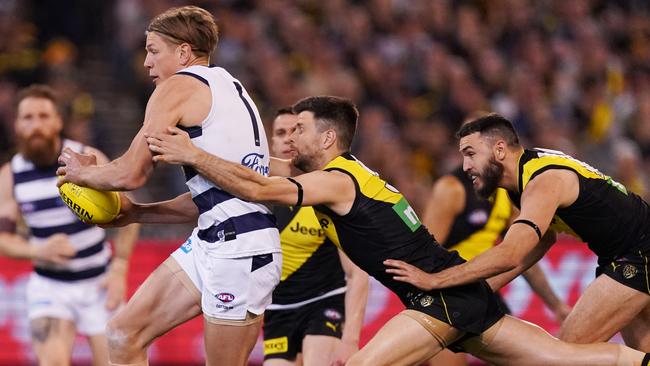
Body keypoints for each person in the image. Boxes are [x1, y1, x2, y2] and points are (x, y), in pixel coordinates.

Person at [144, 96, 650, 366]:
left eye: (297, 129)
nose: (287, 138)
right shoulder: (334, 176)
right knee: (561, 359)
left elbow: (258, 188)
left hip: (441, 294)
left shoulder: (338, 179)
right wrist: (140, 211)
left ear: (327, 136)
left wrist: (192, 153)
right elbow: (252, 177)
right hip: (455, 293)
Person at [56, 6, 281, 366]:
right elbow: (207, 200)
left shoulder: (179, 85)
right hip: (215, 240)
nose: (146, 62)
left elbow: (131, 173)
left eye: (153, 50)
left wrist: (82, 174)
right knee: (123, 334)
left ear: (183, 52)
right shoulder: (229, 86)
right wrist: (137, 214)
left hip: (239, 253)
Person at [384, 112, 650, 352]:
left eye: (470, 153)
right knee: (641, 350)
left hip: (639, 253)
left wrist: (437, 281)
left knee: (566, 352)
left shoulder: (541, 181)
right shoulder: (522, 180)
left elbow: (511, 253)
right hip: (626, 253)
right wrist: (480, 291)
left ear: (499, 150)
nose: (465, 166)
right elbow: (543, 241)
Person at [0, 84, 139, 366]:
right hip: (50, 287)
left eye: (43, 116)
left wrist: (120, 269)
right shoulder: (10, 176)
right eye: (28, 118)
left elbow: (130, 213)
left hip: (98, 283)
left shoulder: (86, 158)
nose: (36, 125)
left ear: (58, 121)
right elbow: (3, 238)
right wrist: (38, 251)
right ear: (16, 124)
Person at [422, 165, 571, 366]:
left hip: (485, 291)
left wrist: (556, 305)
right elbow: (425, 255)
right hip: (449, 297)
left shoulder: (504, 196)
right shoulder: (451, 188)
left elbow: (520, 254)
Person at [263, 108, 368, 366]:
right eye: (281, 133)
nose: (289, 138)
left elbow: (357, 273)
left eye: (296, 131)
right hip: (277, 310)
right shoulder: (257, 193)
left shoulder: (328, 188)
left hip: (324, 301)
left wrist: (350, 340)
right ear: (271, 143)